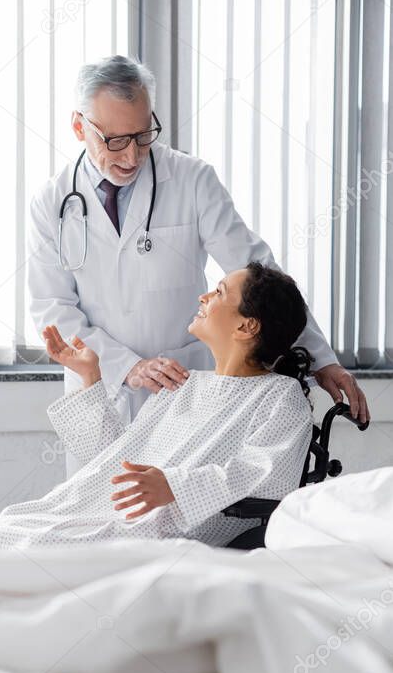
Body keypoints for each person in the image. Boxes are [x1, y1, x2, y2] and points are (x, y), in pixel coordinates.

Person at [27, 55, 369, 476]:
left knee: (184, 508)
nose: (132, 156)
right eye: (115, 141)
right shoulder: (51, 202)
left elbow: (259, 273)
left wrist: (320, 358)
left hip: (186, 392)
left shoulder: (191, 179)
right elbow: (52, 308)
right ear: (80, 127)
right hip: (101, 391)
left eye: (142, 135)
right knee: (100, 516)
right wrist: (127, 366)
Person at [0, 262, 314, 551]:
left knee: (34, 548)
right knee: (13, 527)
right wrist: (90, 376)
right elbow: (117, 458)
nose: (204, 297)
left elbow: (271, 478)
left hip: (172, 529)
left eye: (219, 293)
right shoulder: (183, 384)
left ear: (247, 325)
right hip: (113, 511)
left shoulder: (279, 396)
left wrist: (176, 486)